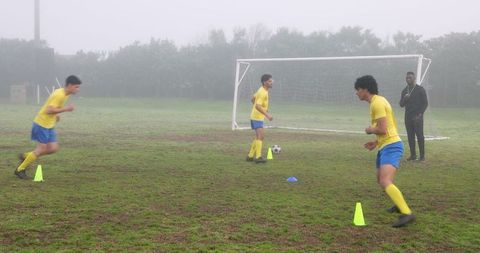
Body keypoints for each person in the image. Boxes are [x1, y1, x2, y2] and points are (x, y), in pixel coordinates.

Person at [355, 75, 415, 227]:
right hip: (385, 145)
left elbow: (382, 128)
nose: (356, 93)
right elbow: (389, 127)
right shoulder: (378, 101)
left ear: (365, 89)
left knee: (384, 180)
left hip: (392, 146)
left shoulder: (377, 104)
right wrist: (376, 142)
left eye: (358, 90)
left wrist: (370, 130)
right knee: (381, 179)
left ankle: (407, 213)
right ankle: (398, 203)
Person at [15, 75, 82, 179]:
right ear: (70, 85)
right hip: (42, 124)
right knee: (41, 149)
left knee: (53, 148)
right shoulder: (59, 94)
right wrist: (66, 109)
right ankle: (20, 169)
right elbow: (48, 110)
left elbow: (54, 108)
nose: (78, 89)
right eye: (76, 87)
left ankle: (26, 156)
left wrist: (57, 115)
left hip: (49, 125)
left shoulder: (66, 94)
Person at [399, 71, 428, 161]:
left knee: (419, 136)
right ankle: (413, 155)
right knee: (410, 136)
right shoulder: (404, 90)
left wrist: (420, 114)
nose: (408, 79)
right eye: (407, 78)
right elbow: (401, 104)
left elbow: (425, 103)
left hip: (417, 117)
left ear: (414, 78)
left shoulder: (420, 89)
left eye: (410, 77)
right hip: (408, 116)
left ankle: (422, 156)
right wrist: (405, 99)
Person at [246, 74, 273, 164]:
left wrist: (263, 109)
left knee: (259, 136)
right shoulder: (262, 92)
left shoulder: (262, 90)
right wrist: (267, 114)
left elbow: (253, 99)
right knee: (261, 136)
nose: (271, 82)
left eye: (271, 80)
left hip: (257, 116)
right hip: (257, 117)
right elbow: (257, 105)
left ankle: (250, 156)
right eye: (269, 81)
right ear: (264, 82)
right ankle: (258, 157)